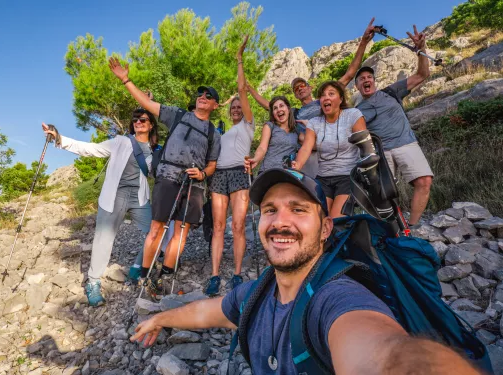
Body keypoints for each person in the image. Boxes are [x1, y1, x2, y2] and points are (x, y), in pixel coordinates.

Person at [130, 168, 480, 375]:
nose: (280, 222)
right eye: (270, 210)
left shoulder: (338, 298)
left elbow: (382, 352)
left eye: (298, 210)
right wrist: (162, 319)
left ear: (326, 228)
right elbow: (209, 311)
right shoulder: (256, 292)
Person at [108, 57, 221, 296]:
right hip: (168, 177)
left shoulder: (214, 132)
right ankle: (147, 275)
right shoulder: (178, 115)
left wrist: (202, 173)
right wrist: (126, 80)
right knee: (157, 227)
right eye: (200, 94)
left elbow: (212, 165)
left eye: (209, 96)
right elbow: (147, 104)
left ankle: (165, 275)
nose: (203, 96)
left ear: (215, 106)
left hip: (194, 185)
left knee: (182, 231)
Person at [42, 108, 158, 306]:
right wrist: (60, 138)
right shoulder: (121, 142)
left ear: (151, 125)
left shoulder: (156, 149)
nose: (139, 122)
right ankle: (93, 282)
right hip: (115, 195)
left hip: (139, 197)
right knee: (104, 239)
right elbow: (91, 149)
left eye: (143, 119)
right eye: (136, 119)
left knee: (156, 233)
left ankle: (137, 267)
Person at [246, 18, 376, 178]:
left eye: (302, 85)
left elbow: (349, 74)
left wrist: (363, 42)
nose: (300, 89)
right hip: (311, 153)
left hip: (334, 147)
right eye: (296, 89)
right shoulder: (295, 113)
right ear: (294, 95)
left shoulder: (325, 100)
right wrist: (250, 89)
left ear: (310, 88)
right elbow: (270, 104)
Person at [355, 25, 432, 228]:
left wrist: (422, 50)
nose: (366, 80)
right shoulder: (356, 110)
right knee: (383, 195)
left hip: (406, 143)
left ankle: (412, 228)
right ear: (357, 86)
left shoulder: (391, 91)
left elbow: (422, 74)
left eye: (369, 77)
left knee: (424, 181)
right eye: (361, 79)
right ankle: (393, 229)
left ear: (374, 80)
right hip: (381, 152)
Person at [205, 36, 255, 296]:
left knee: (237, 225)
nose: (236, 108)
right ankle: (214, 275)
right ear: (229, 111)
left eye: (239, 106)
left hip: (238, 174)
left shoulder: (248, 124)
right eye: (233, 107)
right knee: (218, 227)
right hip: (219, 177)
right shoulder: (223, 133)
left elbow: (242, 89)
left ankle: (236, 274)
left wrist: (239, 60)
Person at [292, 81, 366, 218]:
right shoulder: (314, 123)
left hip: (347, 176)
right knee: (318, 218)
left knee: (335, 220)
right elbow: (306, 147)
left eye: (331, 94)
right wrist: (297, 165)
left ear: (341, 99)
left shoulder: (353, 115)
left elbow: (365, 143)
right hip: (323, 178)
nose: (326, 98)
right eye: (322, 95)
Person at [244, 96, 298, 174]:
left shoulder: (296, 131)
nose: (279, 109)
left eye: (281, 106)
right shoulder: (270, 126)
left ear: (288, 109)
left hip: (288, 173)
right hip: (268, 171)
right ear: (273, 113)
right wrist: (256, 158)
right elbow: (262, 147)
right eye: (275, 108)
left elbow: (309, 144)